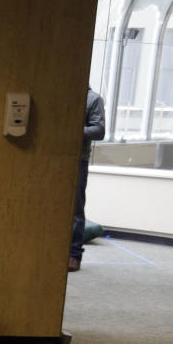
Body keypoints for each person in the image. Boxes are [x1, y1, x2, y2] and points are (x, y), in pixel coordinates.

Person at [69, 87, 106, 272]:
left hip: (79, 160)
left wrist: (74, 130)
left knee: (75, 209)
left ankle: (74, 255)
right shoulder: (65, 97)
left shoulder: (93, 99)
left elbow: (99, 130)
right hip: (56, 159)